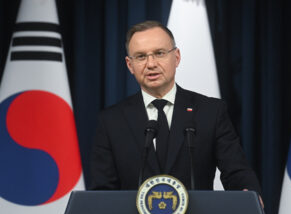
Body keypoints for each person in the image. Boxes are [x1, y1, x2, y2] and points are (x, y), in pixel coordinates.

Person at [90, 20, 261, 193]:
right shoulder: (111, 121)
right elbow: (102, 191)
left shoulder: (210, 112)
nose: (151, 64)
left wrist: (247, 192)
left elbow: (236, 172)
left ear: (176, 57)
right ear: (130, 65)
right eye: (141, 56)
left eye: (159, 53)